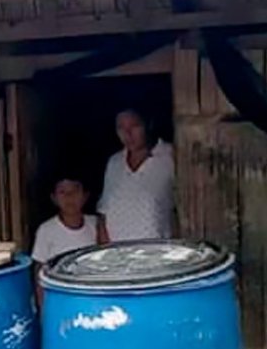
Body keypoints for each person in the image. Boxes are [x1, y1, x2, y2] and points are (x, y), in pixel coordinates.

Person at [97, 109, 176, 241]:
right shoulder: (115, 162)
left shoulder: (170, 156)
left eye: (134, 126)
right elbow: (104, 211)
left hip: (158, 249)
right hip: (118, 250)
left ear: (148, 124)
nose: (127, 134)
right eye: (121, 128)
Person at [31, 176, 109, 302]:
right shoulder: (46, 230)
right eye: (62, 192)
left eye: (75, 191)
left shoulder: (95, 224)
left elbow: (106, 258)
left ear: (85, 196)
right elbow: (39, 272)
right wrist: (43, 307)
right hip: (61, 297)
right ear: (54, 198)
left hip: (93, 295)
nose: (69, 197)